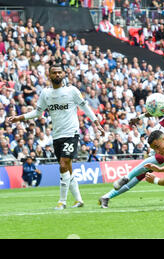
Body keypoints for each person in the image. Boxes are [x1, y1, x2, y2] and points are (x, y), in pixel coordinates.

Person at [7, 63, 105, 210]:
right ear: (49, 75)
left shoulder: (72, 91)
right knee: (67, 168)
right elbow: (38, 113)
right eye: (54, 73)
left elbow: (85, 107)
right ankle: (78, 200)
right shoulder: (46, 93)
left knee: (64, 164)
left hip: (71, 133)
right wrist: (19, 118)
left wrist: (96, 123)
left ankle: (62, 201)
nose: (57, 75)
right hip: (57, 135)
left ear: (64, 74)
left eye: (60, 72)